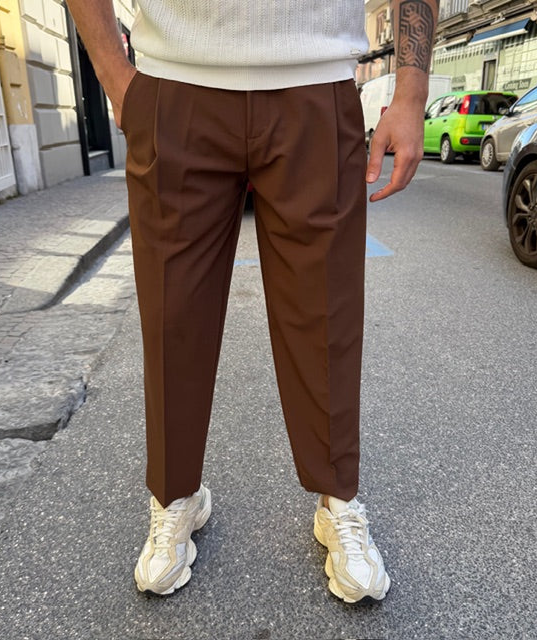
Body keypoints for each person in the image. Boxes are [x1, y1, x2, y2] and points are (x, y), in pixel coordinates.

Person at [66, 0, 438, 603]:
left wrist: (412, 91)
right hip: (175, 80)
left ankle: (338, 501)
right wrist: (115, 75)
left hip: (315, 79)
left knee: (327, 313)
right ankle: (175, 497)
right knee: (172, 315)